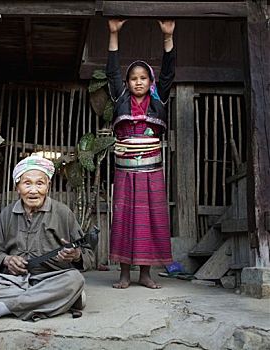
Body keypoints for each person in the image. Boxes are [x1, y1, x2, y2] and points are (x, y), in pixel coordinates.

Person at [0, 155, 95, 328]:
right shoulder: (7, 214)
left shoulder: (63, 213)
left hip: (51, 278)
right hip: (15, 281)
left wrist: (76, 255)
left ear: (48, 187)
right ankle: (60, 301)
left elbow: (89, 254)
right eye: (27, 183)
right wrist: (7, 260)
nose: (33, 190)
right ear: (18, 187)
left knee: (75, 280)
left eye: (40, 183)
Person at [106, 19, 175, 289]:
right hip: (124, 170)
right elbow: (111, 70)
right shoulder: (120, 97)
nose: (138, 82)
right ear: (128, 82)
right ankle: (124, 272)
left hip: (151, 169)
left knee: (149, 218)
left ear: (150, 81)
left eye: (143, 78)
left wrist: (167, 38)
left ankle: (145, 273)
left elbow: (169, 73)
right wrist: (113, 33)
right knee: (124, 216)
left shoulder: (159, 99)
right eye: (133, 78)